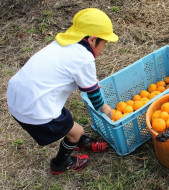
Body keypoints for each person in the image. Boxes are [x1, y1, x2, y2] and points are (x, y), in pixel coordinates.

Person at [6, 8, 118, 175]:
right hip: (35, 108)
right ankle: (60, 164)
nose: (103, 49)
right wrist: (104, 107)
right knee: (76, 130)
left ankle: (79, 141)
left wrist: (90, 85)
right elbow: (93, 95)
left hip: (19, 96)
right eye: (105, 44)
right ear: (93, 39)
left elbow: (71, 74)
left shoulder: (63, 43)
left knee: (70, 123)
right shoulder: (84, 58)